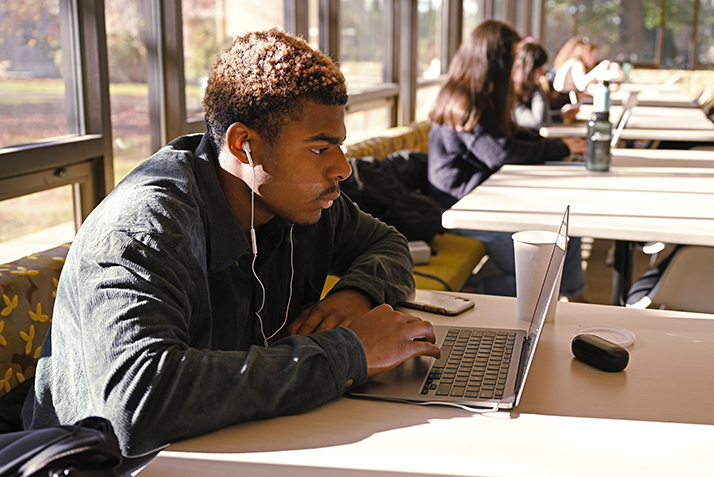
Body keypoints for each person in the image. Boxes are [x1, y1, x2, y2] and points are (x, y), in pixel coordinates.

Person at [21, 29, 440, 459]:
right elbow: (139, 401)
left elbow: (387, 244)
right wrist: (350, 354)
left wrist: (356, 296)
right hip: (108, 464)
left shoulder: (298, 199)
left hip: (239, 439)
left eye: (340, 145)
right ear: (244, 146)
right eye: (320, 148)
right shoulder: (142, 232)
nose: (342, 169)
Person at [428, 20, 587, 300]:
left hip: (488, 202)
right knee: (551, 265)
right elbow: (502, 153)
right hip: (464, 211)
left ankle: (575, 296)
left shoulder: (479, 96)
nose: (516, 65)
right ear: (497, 61)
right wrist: (560, 148)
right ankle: (471, 292)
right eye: (513, 58)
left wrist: (558, 146)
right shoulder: (465, 101)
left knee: (566, 237)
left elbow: (513, 137)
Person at [512, 38, 579, 129]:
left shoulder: (526, 89)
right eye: (540, 69)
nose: (544, 73)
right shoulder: (511, 94)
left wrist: (561, 116)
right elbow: (539, 122)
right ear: (529, 70)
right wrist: (537, 88)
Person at [552, 36, 622, 94]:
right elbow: (581, 85)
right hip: (564, 99)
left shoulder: (571, 62)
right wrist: (599, 69)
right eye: (593, 55)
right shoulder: (576, 63)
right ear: (586, 53)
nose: (595, 59)